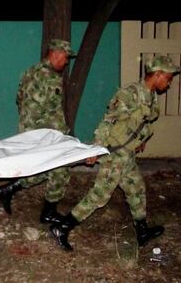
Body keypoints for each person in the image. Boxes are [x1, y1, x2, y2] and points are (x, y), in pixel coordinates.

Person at [50, 55, 180, 251]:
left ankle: (142, 231)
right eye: (168, 78)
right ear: (159, 74)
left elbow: (141, 122)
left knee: (136, 188)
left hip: (126, 153)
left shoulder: (151, 96)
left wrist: (140, 140)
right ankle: (62, 227)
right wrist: (97, 147)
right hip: (115, 153)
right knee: (100, 195)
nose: (169, 83)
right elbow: (108, 120)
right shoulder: (130, 94)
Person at [0, 39, 76, 224]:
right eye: (65, 57)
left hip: (29, 131)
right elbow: (53, 112)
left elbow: (19, 100)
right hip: (42, 133)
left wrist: (28, 128)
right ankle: (48, 212)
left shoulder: (30, 71)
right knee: (60, 169)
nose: (66, 62)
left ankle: (8, 190)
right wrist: (62, 136)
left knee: (47, 168)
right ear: (56, 54)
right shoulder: (51, 78)